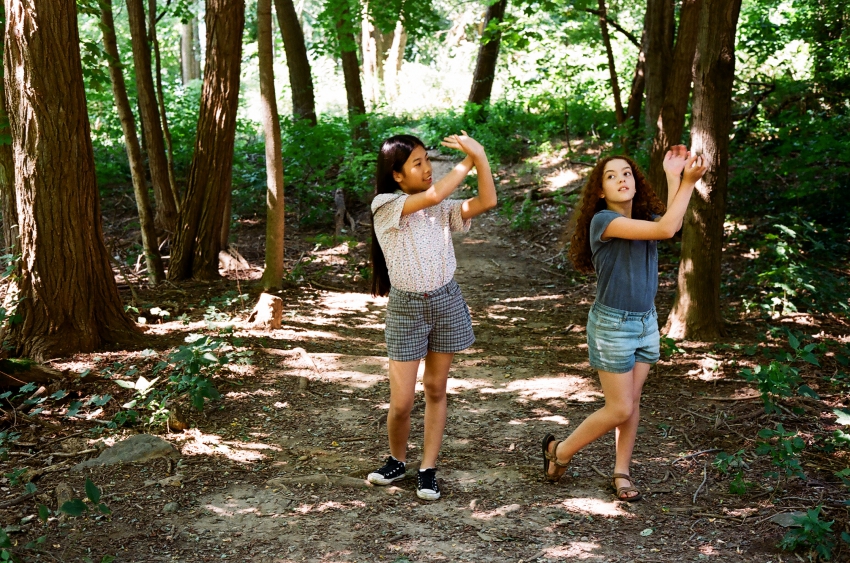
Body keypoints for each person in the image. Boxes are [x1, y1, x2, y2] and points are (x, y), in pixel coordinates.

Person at [542, 146, 707, 501]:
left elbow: (671, 222)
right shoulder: (604, 222)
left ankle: (622, 473)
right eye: (611, 176)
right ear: (600, 191)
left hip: (646, 323)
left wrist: (673, 175)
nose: (621, 179)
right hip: (613, 326)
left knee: (632, 401)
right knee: (620, 407)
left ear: (635, 182)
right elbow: (667, 228)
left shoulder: (645, 218)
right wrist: (689, 182)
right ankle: (561, 451)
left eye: (627, 173)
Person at [366, 132, 497, 500]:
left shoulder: (440, 208)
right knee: (402, 402)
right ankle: (396, 460)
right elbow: (435, 194)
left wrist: (481, 157)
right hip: (406, 310)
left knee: (436, 388)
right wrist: (469, 159)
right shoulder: (386, 204)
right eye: (418, 163)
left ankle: (427, 469)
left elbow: (488, 200)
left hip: (446, 302)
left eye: (427, 160)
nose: (427, 168)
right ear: (396, 174)